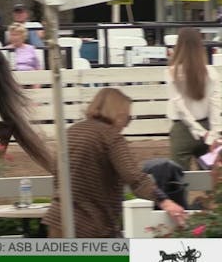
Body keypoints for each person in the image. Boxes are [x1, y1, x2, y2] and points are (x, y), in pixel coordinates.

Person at [42, 88, 186, 237]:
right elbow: (133, 176)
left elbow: (56, 172)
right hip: (90, 225)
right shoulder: (111, 137)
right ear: (118, 114)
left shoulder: (70, 132)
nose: (126, 125)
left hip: (58, 219)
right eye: (128, 118)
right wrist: (164, 201)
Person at [166, 27, 222, 170]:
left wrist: (198, 131)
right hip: (207, 126)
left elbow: (180, 107)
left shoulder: (171, 72)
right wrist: (212, 135)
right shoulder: (211, 72)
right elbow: (216, 105)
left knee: (177, 181)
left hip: (182, 130)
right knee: (212, 181)